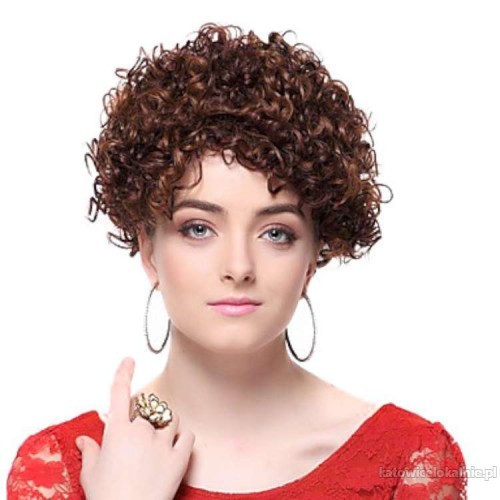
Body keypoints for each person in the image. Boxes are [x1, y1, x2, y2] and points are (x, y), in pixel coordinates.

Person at [6, 22, 467, 499]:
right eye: (198, 229)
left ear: (314, 256)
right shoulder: (62, 468)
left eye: (276, 233)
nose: (239, 266)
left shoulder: (409, 462)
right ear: (148, 250)